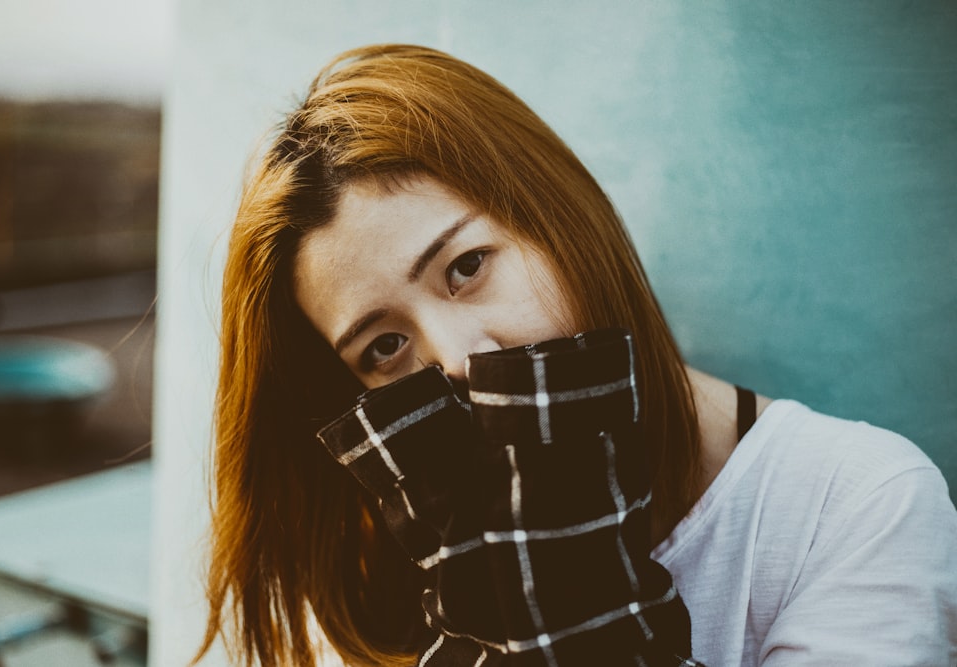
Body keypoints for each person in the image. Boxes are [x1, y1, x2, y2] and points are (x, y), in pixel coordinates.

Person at [196, 44, 957, 666]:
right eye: (386, 346)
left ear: (562, 222)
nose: (458, 361)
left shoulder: (854, 503)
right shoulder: (390, 558)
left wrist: (557, 584)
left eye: (466, 267)